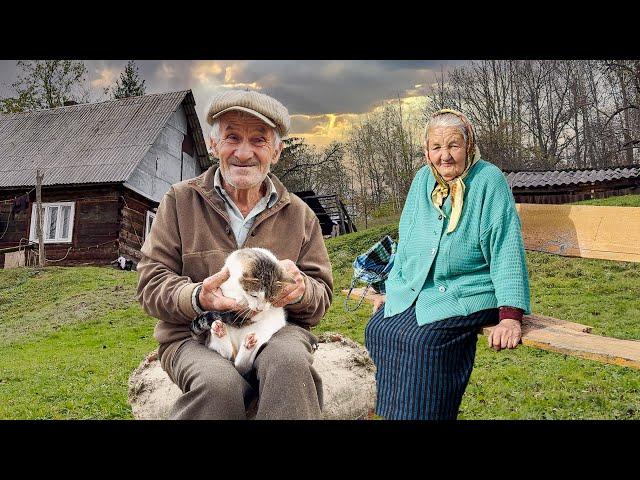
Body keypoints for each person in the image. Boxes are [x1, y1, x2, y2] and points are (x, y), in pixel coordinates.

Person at [136, 89, 333, 420]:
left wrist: (301, 291)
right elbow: (150, 285)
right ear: (214, 146)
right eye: (232, 137)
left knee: (290, 366)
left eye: (258, 140)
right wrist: (199, 296)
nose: (244, 153)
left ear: (276, 151)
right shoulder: (180, 201)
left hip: (274, 332)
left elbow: (321, 293)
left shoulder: (300, 215)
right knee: (218, 386)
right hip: (194, 337)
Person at [365, 108, 531, 420]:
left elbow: (505, 247)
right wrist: (394, 289)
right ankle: (391, 414)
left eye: (453, 146)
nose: (445, 156)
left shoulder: (488, 180)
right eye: (437, 147)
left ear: (469, 146)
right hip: (425, 289)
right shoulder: (422, 180)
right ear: (426, 151)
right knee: (379, 329)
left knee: (424, 340)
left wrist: (510, 317)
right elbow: (409, 239)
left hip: (468, 289)